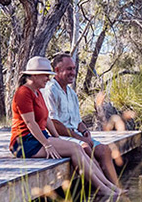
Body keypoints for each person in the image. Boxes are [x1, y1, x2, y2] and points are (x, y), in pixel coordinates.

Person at [9, 56, 122, 196]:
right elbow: (30, 123)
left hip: (39, 138)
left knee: (78, 149)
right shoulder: (23, 93)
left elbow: (48, 121)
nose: (47, 79)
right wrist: (47, 145)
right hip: (25, 142)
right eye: (45, 75)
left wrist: (57, 139)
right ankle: (102, 189)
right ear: (34, 75)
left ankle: (109, 185)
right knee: (76, 148)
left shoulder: (37, 92)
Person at [42, 52, 120, 186]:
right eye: (69, 69)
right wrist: (81, 139)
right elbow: (54, 124)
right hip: (58, 137)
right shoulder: (50, 90)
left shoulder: (71, 93)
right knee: (85, 148)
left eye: (74, 68)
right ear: (57, 70)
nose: (73, 72)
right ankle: (105, 187)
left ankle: (117, 185)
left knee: (105, 150)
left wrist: (84, 131)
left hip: (75, 135)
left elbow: (77, 121)